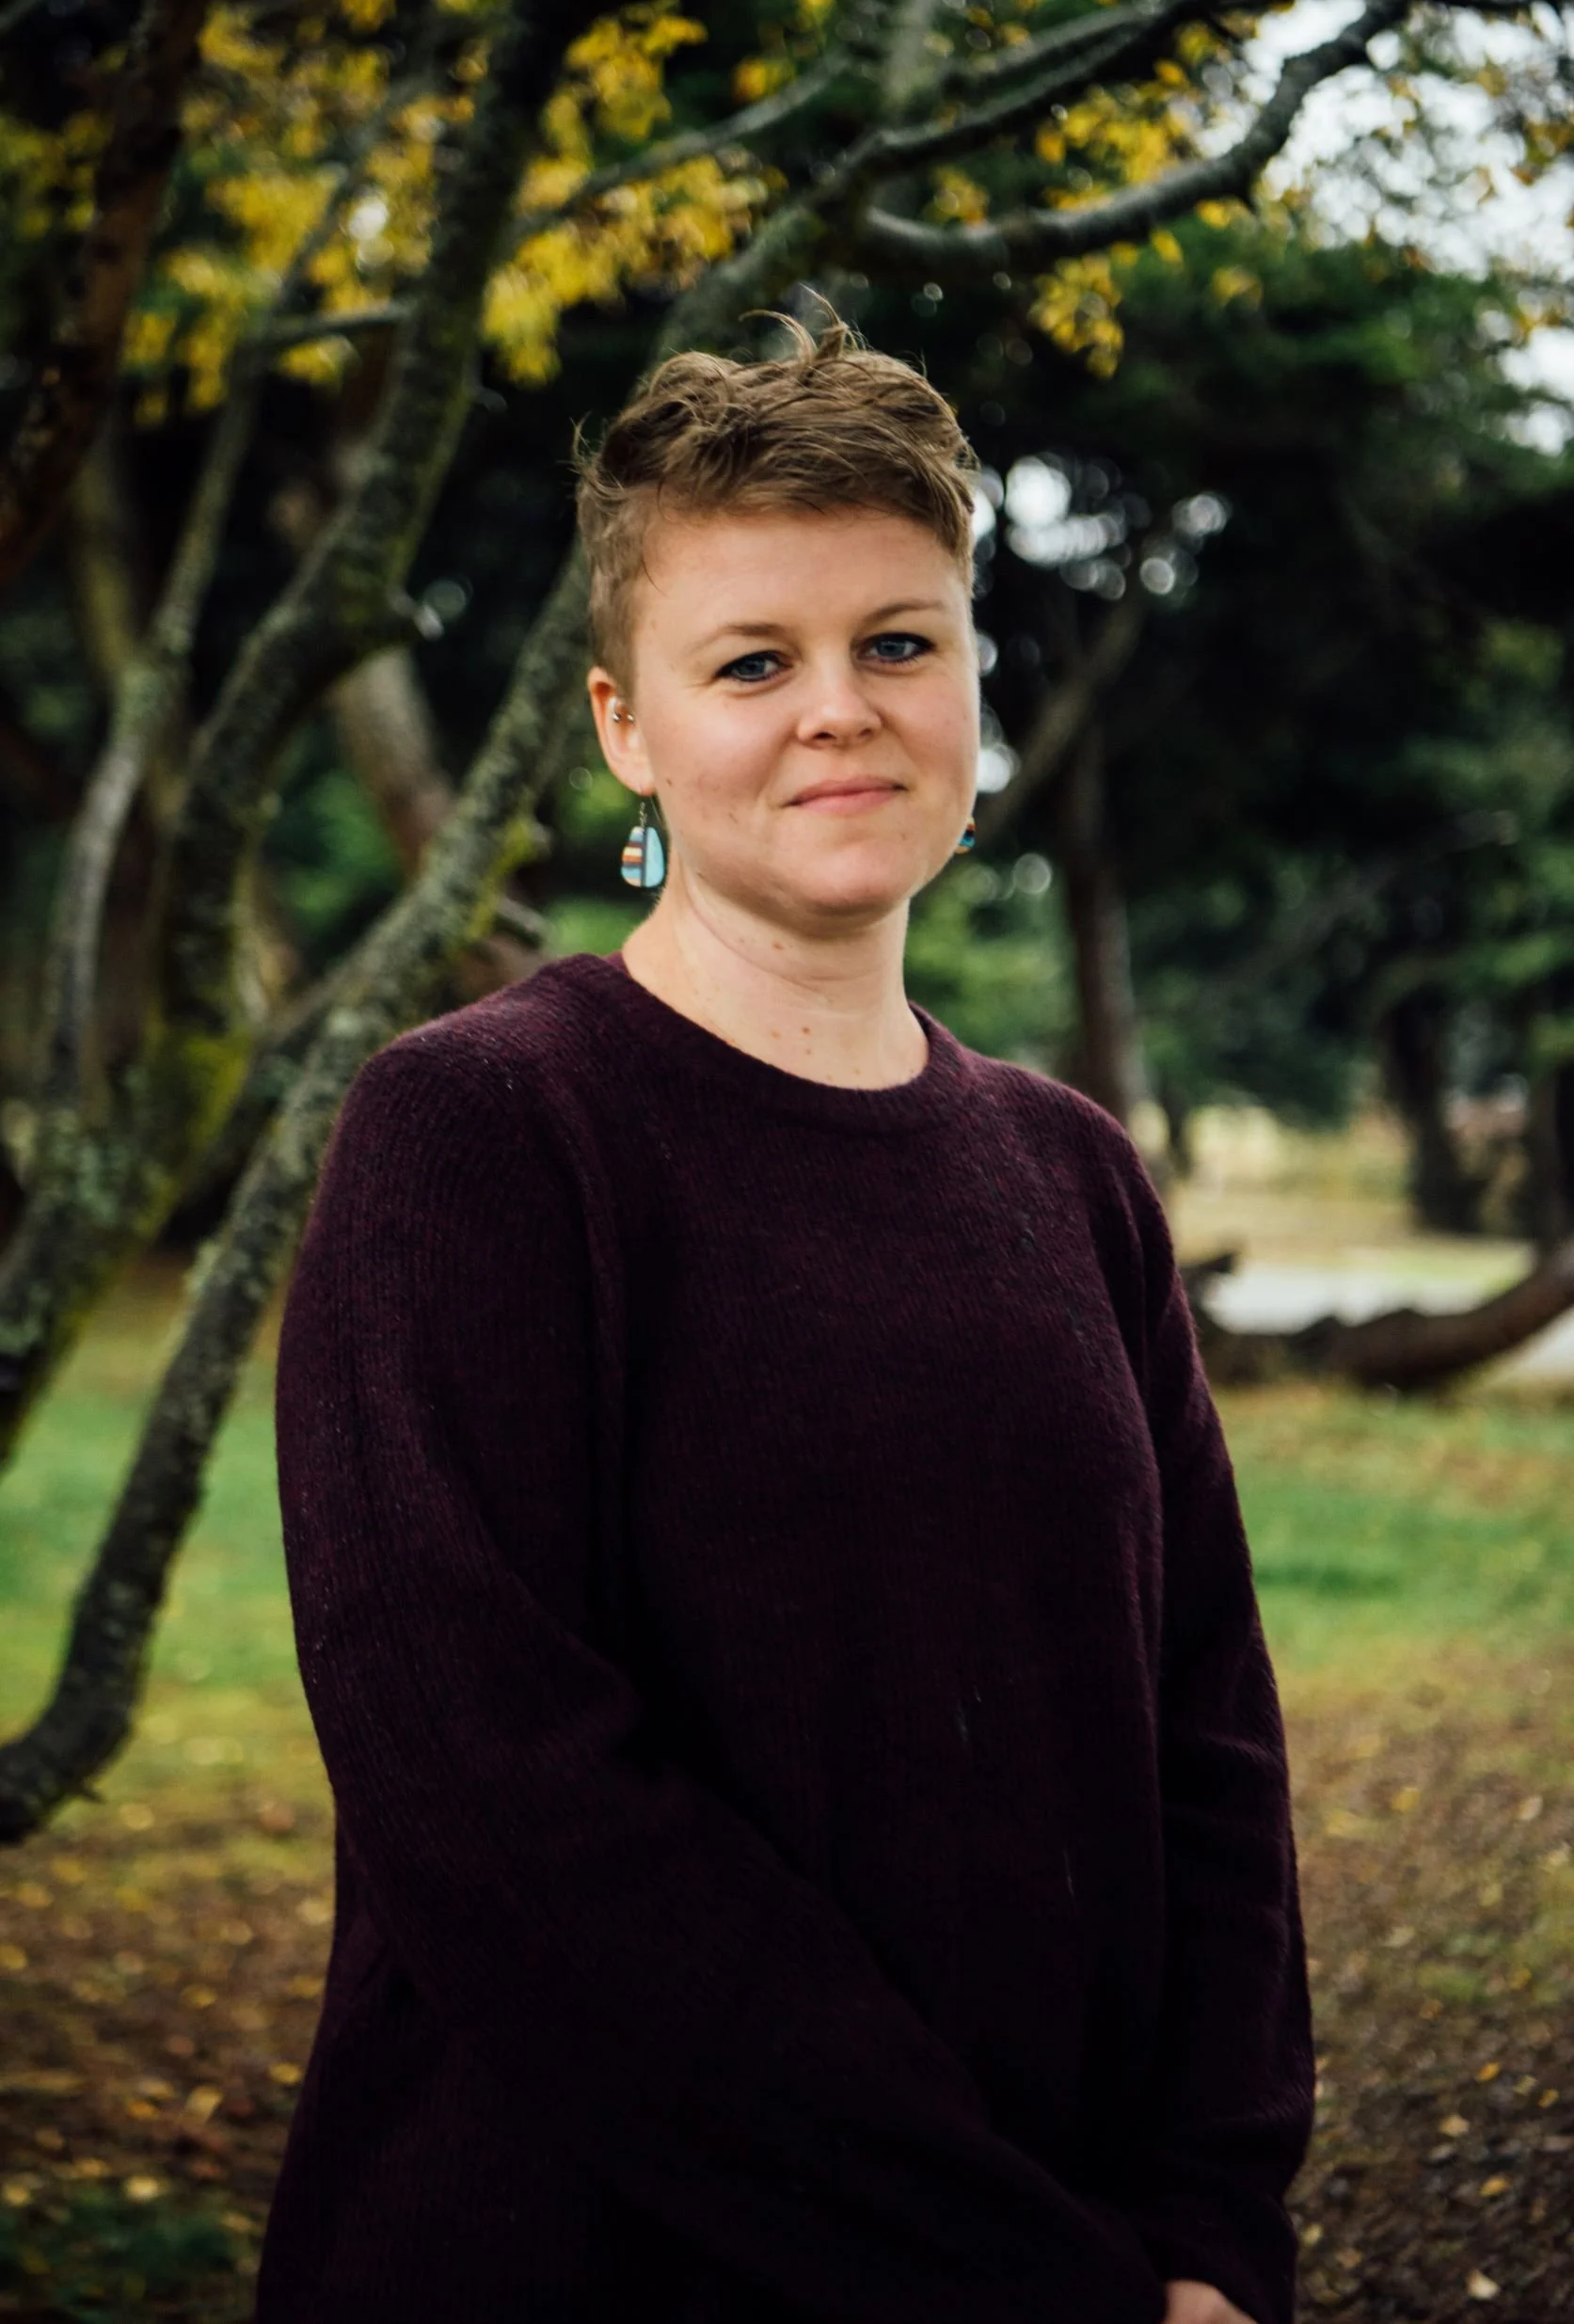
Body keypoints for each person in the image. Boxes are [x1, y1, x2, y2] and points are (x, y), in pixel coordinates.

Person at [254, 315, 1314, 2324]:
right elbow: (503, 1810)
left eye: (899, 641)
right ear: (620, 726)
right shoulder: (479, 1132)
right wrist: (1020, 2271)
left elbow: (1206, 1741)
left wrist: (1208, 2231)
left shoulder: (1069, 1172)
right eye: (751, 660)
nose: (839, 708)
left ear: (973, 678)